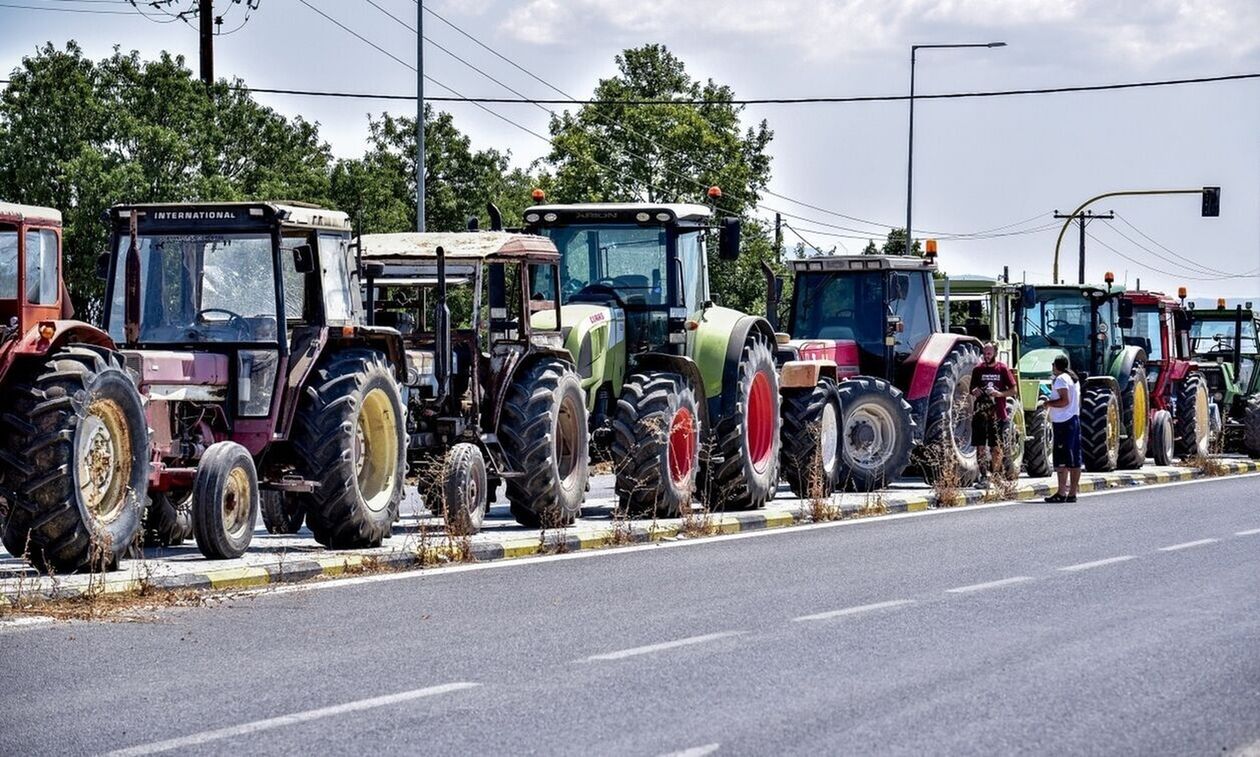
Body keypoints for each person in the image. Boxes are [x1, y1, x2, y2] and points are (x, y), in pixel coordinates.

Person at [970, 342, 1017, 487]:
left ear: (995, 353)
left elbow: (1013, 390)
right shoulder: (978, 369)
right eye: (985, 353)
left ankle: (996, 475)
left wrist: (999, 394)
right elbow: (971, 388)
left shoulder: (1002, 369)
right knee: (980, 446)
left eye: (989, 353)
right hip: (980, 412)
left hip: (997, 413)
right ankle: (984, 476)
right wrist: (975, 391)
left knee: (996, 447)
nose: (986, 355)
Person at [1044, 354, 1082, 502]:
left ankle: (1061, 492)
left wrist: (1048, 403)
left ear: (1056, 366)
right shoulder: (1074, 378)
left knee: (1062, 460)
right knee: (1074, 459)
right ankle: (1072, 493)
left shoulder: (1061, 379)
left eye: (1053, 364)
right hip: (1073, 419)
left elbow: (1064, 401)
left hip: (1063, 421)